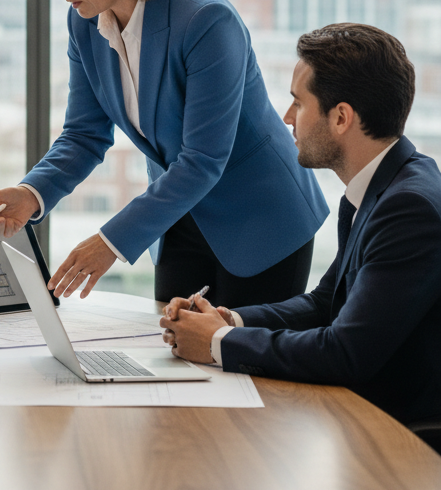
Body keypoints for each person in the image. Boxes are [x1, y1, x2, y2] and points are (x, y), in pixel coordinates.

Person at [0, 0, 329, 305]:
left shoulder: (206, 21)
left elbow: (203, 159)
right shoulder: (84, 24)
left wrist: (109, 241)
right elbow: (84, 134)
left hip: (259, 218)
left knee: (240, 361)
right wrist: (32, 194)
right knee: (173, 355)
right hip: (177, 216)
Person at [160, 24, 441, 425]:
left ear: (341, 117)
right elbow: (324, 304)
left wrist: (218, 342)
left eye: (299, 103)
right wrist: (228, 320)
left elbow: (345, 353)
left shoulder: (408, 208)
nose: (288, 117)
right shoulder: (384, 185)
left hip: (403, 442)